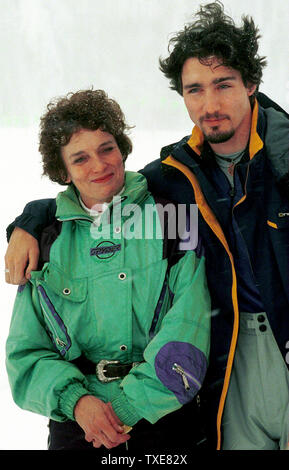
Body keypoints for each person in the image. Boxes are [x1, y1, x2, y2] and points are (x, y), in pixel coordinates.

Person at [4, 1, 289, 451]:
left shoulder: (277, 159)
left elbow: (186, 322)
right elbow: (99, 197)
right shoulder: (176, 177)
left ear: (251, 83)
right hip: (228, 362)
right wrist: (31, 220)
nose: (209, 104)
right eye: (195, 89)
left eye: (223, 84)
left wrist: (128, 407)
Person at [5, 89, 211, 452]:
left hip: (165, 419)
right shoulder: (46, 239)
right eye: (80, 158)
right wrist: (78, 404)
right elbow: (26, 351)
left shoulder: (173, 221)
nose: (99, 165)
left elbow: (190, 327)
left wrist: (129, 406)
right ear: (63, 170)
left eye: (106, 148)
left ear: (122, 148)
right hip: (79, 427)